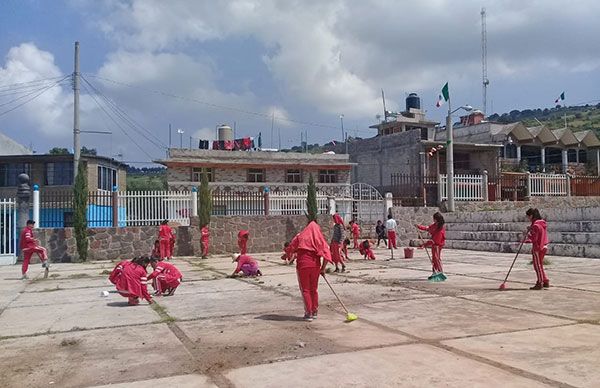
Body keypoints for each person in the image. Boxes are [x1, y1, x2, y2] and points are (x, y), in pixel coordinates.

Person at [284, 221, 332, 321]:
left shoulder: (300, 236)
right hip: (316, 266)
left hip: (303, 266)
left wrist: (287, 255)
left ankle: (308, 313)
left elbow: (291, 247)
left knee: (305, 289)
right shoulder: (319, 239)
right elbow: (327, 254)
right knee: (313, 289)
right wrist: (323, 269)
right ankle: (314, 311)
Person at [524, 208, 550, 290]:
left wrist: (528, 234)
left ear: (531, 216)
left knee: (537, 266)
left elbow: (534, 239)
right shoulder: (542, 223)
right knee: (540, 265)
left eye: (528, 216)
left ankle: (540, 282)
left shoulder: (535, 225)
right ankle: (545, 280)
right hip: (544, 246)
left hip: (538, 247)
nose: (528, 218)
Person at [416, 212, 446, 280]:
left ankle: (440, 272)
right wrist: (419, 227)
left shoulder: (440, 228)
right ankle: (434, 271)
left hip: (438, 245)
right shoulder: (434, 225)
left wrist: (424, 245)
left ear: (436, 219)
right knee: (434, 259)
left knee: (436, 258)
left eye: (434, 219)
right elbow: (428, 228)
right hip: (434, 244)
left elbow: (435, 240)